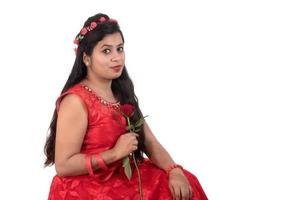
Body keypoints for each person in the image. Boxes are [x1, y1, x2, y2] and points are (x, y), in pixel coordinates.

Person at [44, 13, 208, 200]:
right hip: (87, 185)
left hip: (123, 176)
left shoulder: (122, 93)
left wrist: (174, 170)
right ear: (86, 58)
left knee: (186, 182)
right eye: (106, 51)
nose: (117, 58)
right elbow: (64, 165)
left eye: (119, 49)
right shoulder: (75, 101)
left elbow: (150, 142)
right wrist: (114, 154)